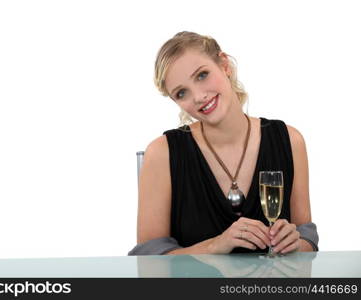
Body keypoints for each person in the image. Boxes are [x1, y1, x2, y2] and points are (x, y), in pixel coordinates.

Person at [129, 31, 318, 256]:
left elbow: (306, 237)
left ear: (225, 65)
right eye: (181, 93)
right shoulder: (162, 153)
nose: (198, 97)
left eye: (202, 75)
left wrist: (295, 244)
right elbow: (148, 259)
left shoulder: (289, 140)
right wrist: (214, 246)